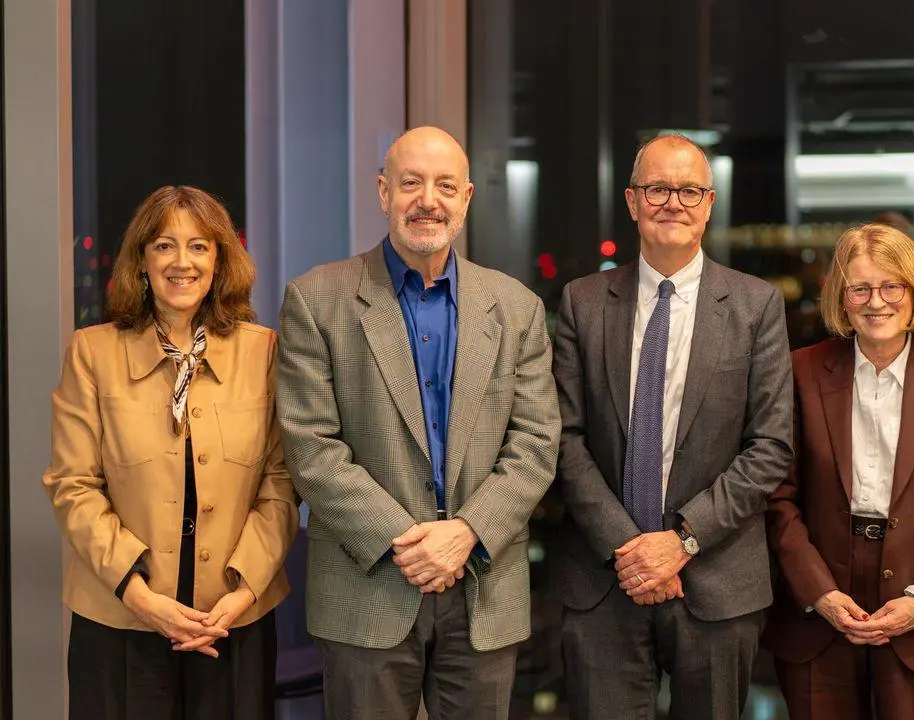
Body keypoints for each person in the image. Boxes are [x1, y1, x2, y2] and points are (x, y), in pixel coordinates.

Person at [275, 126, 560, 720]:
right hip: (367, 582)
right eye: (411, 183)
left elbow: (535, 444)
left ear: (466, 199)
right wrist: (408, 544)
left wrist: (465, 534)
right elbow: (311, 446)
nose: (428, 199)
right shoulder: (317, 298)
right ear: (383, 192)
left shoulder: (517, 308)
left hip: (483, 581)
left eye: (445, 185)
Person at [552, 133, 794, 719]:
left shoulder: (756, 305)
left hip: (715, 576)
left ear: (709, 204)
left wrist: (680, 542)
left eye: (689, 190)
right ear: (633, 202)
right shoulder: (582, 302)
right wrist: (629, 549)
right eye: (658, 188)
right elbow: (564, 437)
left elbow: (770, 445)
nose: (673, 202)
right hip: (605, 581)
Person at [44, 185, 297, 719]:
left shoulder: (264, 351)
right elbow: (73, 485)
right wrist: (139, 596)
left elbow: (281, 481)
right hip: (120, 620)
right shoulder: (93, 352)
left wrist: (243, 592)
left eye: (200, 246)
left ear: (221, 261)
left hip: (232, 623)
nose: (182, 262)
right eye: (164, 246)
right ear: (141, 261)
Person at [763, 222, 914, 719]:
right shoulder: (799, 372)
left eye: (892, 286)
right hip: (819, 607)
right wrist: (818, 592)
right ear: (841, 300)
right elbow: (777, 496)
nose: (877, 301)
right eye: (860, 288)